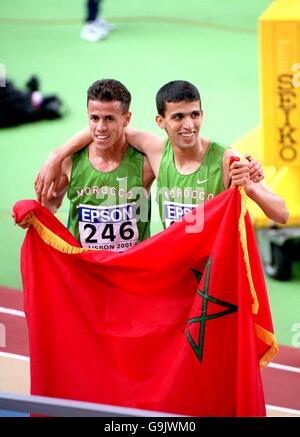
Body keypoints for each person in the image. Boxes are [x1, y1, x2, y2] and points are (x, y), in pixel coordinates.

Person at [35, 80, 288, 230]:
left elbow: (282, 214)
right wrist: (56, 156)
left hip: (216, 276)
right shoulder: (156, 151)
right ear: (161, 121)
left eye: (194, 115)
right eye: (178, 117)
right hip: (174, 274)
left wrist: (252, 188)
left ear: (202, 115)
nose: (188, 125)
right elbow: (105, 130)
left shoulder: (228, 160)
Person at [42, 79, 154, 251]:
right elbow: (50, 207)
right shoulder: (69, 162)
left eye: (109, 119)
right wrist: (42, 207)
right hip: (84, 271)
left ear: (127, 119)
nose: (101, 127)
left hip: (129, 272)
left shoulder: (146, 164)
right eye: (94, 118)